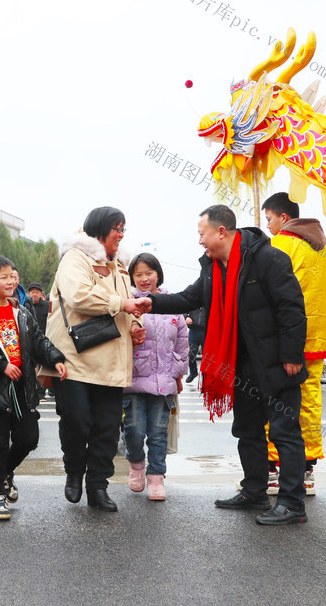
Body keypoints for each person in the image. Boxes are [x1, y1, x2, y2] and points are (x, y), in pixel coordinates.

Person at [136, 205, 309, 525]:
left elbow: (291, 308)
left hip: (275, 364)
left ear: (221, 232)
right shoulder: (214, 268)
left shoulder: (268, 259)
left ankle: (292, 502)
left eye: (202, 233)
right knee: (248, 430)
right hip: (241, 366)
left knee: (285, 433)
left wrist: (292, 356)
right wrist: (152, 302)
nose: (199, 240)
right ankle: (255, 490)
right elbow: (190, 298)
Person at [38, 206, 146, 512]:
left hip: (112, 361)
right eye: (117, 228)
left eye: (124, 229)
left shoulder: (121, 266)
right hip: (75, 358)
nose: (121, 235)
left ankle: (98, 485)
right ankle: (74, 471)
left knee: (108, 428)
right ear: (100, 228)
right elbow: (79, 296)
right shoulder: (76, 256)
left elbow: (128, 310)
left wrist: (136, 326)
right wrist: (122, 304)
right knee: (76, 422)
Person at [0, 255, 67, 520]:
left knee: (28, 439)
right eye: (3, 277)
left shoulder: (22, 312)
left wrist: (57, 359)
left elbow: (39, 342)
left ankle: (6, 472)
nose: (11, 281)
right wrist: (0, 365)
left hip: (23, 387)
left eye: (12, 275)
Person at [262, 192, 326, 497]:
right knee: (309, 403)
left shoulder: (281, 244)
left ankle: (273, 469)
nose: (267, 226)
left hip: (284, 341)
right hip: (316, 341)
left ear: (283, 218)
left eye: (269, 219)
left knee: (274, 404)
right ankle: (306, 472)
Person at [124, 253, 187, 501]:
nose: (144, 279)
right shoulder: (128, 304)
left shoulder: (172, 305)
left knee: (159, 432)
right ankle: (137, 465)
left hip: (164, 383)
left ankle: (157, 478)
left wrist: (179, 373)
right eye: (138, 274)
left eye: (148, 273)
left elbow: (182, 344)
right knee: (134, 430)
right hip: (133, 381)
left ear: (158, 274)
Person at [184, 307, 206, 386]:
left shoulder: (208, 301)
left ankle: (206, 378)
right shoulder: (193, 301)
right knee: (191, 354)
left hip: (206, 332)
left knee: (206, 358)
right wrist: (186, 317)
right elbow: (183, 310)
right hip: (193, 331)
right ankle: (193, 373)